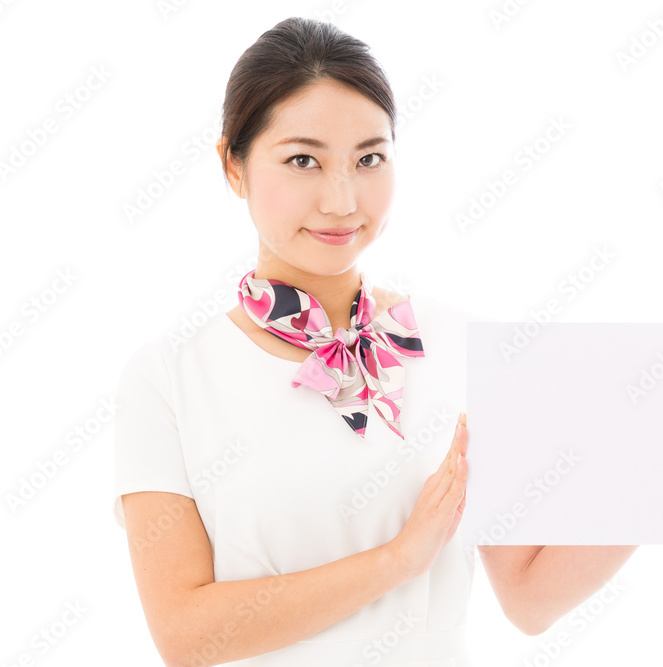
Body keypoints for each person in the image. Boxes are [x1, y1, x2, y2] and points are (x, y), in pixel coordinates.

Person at [112, 17, 476, 666]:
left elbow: (533, 593)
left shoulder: (448, 341)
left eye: (369, 158)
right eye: (303, 159)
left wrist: (662, 457)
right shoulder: (169, 378)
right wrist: (398, 560)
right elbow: (186, 633)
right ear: (234, 165)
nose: (341, 200)